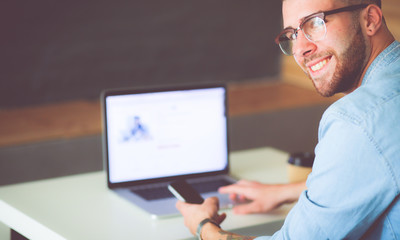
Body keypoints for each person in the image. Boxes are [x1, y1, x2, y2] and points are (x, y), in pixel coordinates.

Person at [176, 0, 400, 239]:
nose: (300, 48)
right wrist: (285, 192)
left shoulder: (357, 121)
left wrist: (203, 227)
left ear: (370, 20)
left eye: (315, 23)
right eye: (292, 34)